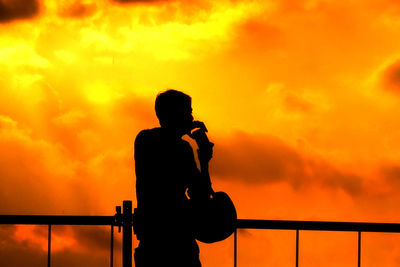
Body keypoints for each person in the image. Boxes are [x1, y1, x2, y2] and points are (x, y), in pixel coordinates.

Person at [133, 89, 214, 267]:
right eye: (188, 111)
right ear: (174, 114)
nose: (192, 117)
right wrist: (203, 158)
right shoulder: (156, 142)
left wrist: (203, 158)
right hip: (170, 240)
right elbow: (201, 195)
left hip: (161, 239)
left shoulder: (149, 140)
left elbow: (200, 194)